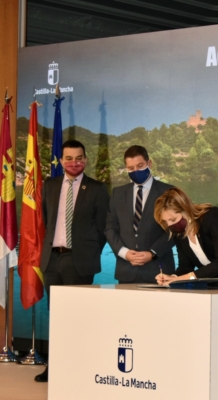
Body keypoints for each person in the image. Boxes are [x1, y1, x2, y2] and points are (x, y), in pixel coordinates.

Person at [36, 140, 110, 382]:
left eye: (79, 157)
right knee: (55, 315)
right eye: (69, 158)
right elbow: (46, 220)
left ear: (85, 160)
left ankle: (79, 366)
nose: (74, 162)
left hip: (78, 261)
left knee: (78, 316)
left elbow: (102, 229)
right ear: (61, 160)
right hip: (52, 260)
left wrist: (87, 252)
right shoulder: (50, 185)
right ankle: (54, 366)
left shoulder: (97, 188)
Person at [105, 145, 175, 283]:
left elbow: (175, 229)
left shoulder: (169, 192)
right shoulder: (118, 193)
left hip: (159, 272)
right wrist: (124, 253)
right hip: (126, 271)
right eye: (131, 168)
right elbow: (110, 228)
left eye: (140, 165)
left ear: (149, 163)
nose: (135, 171)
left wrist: (153, 253)